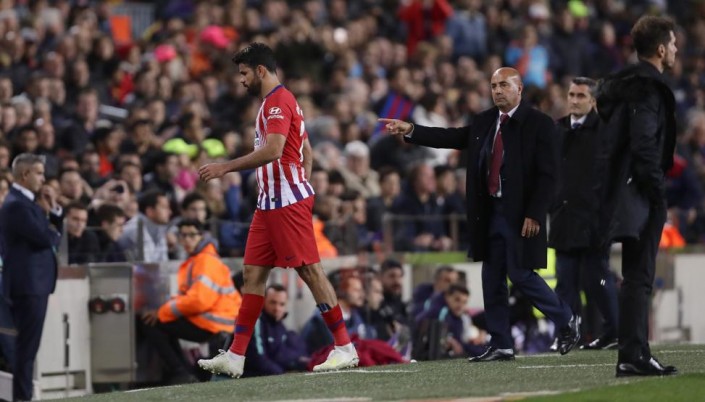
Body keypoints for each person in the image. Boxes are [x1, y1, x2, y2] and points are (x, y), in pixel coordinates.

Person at [380, 67, 580, 362]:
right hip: (490, 212)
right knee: (492, 276)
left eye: (504, 85)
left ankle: (566, 319)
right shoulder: (485, 121)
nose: (497, 90)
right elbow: (452, 137)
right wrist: (411, 130)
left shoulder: (539, 123)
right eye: (494, 85)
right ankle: (501, 343)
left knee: (520, 274)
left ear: (520, 88)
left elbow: (549, 175)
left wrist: (535, 213)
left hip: (520, 213)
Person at [196, 43, 358, 378]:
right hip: (269, 203)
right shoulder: (275, 102)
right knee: (252, 274)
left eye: (244, 73)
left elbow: (274, 150)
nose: (241, 80)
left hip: (285, 203)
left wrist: (226, 167)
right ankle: (236, 355)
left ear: (260, 70)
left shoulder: (278, 102)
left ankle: (344, 347)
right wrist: (301, 182)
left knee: (310, 271)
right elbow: (306, 149)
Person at [594, 16, 678, 377]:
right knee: (639, 276)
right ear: (660, 49)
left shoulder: (622, 86)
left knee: (634, 275)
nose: (675, 49)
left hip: (620, 187)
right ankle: (633, 354)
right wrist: (657, 192)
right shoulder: (647, 89)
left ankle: (634, 353)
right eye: (672, 43)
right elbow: (644, 144)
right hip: (639, 191)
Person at [549, 77, 619, 350]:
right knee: (565, 281)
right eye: (571, 95)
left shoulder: (605, 131)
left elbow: (611, 178)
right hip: (564, 217)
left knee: (596, 279)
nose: (574, 100)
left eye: (580, 96)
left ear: (593, 101)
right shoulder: (557, 130)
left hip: (594, 219)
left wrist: (607, 217)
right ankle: (568, 334)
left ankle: (613, 332)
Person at [140, 219, 241, 384]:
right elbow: (190, 298)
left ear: (202, 236)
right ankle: (183, 372)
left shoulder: (205, 260)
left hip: (213, 323)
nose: (187, 240)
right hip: (215, 321)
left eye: (192, 235)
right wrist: (164, 312)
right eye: (183, 235)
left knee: (153, 323)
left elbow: (199, 301)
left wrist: (162, 312)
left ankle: (181, 372)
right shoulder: (201, 259)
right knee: (163, 321)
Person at [0, 153, 62, 401]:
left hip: (34, 285)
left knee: (27, 349)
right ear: (25, 175)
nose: (43, 179)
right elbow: (47, 239)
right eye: (39, 173)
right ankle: (22, 398)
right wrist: (52, 227)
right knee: (25, 350)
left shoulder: (25, 203)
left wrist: (53, 212)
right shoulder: (17, 205)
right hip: (28, 286)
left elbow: (49, 236)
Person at [243, 284, 308, 377]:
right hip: (252, 377)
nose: (277, 308)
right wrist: (282, 374)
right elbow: (258, 359)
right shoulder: (256, 322)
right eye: (273, 302)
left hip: (271, 375)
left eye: (282, 304)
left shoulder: (280, 326)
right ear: (263, 301)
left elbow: (281, 355)